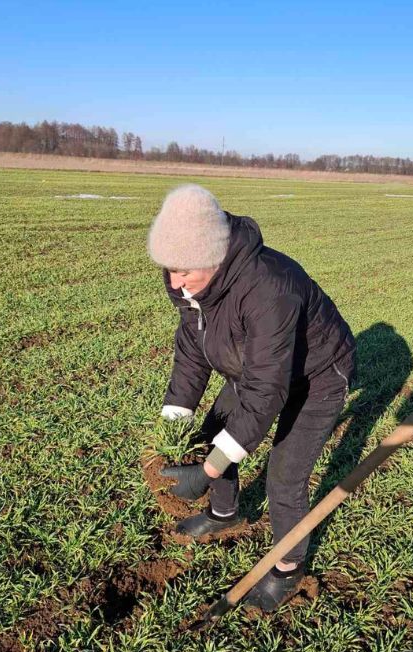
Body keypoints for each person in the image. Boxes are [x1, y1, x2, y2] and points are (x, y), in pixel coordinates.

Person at [149, 184, 355, 611]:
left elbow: (266, 390)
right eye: (169, 269)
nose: (175, 282)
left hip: (317, 375)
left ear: (213, 256)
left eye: (184, 270)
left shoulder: (268, 288)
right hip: (258, 366)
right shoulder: (192, 286)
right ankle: (224, 514)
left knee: (284, 476)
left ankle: (287, 569)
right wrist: (174, 423)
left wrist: (207, 470)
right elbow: (193, 350)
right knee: (213, 433)